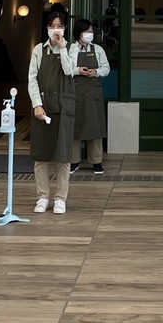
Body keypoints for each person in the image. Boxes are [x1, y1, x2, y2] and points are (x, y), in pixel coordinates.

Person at [28, 12, 77, 213]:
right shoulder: (39, 49)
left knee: (63, 156)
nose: (56, 30)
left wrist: (62, 48)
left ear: (64, 28)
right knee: (41, 154)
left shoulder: (72, 48)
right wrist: (37, 104)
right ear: (47, 28)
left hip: (64, 107)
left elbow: (69, 70)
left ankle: (60, 198)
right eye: (52, 26)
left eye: (59, 26)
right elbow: (32, 79)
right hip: (44, 106)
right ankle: (42, 197)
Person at [69, 18, 110, 175]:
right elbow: (66, 68)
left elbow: (106, 68)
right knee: (75, 126)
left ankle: (96, 162)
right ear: (79, 33)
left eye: (91, 31)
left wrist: (96, 72)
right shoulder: (71, 49)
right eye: (87, 31)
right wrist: (77, 70)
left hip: (94, 93)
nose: (90, 34)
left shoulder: (98, 49)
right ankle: (74, 161)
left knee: (95, 126)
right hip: (77, 92)